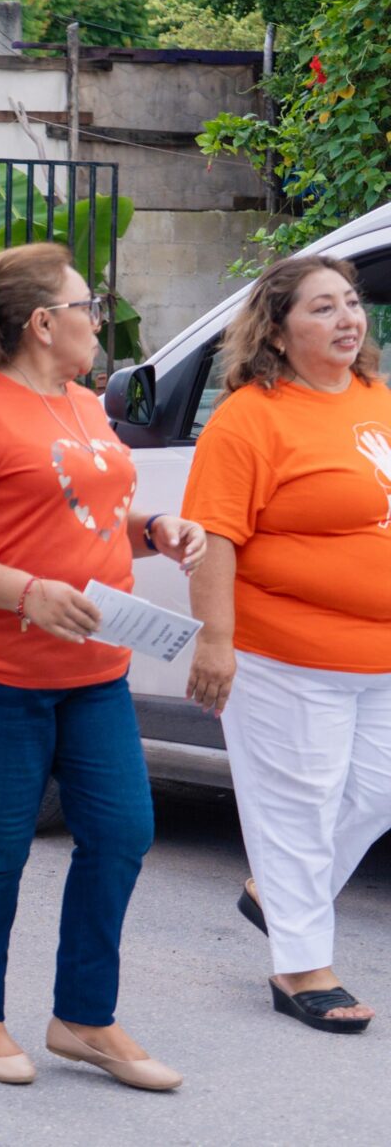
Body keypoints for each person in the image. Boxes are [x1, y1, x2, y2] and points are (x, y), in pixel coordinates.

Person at [0, 242, 206, 1091]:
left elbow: (84, 514)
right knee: (0, 844)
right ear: (43, 323)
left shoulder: (83, 403)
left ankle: (83, 1018)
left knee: (122, 832)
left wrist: (153, 531)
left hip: (96, 662)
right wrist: (26, 594)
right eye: (86, 306)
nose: (97, 321)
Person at [181, 255, 391, 1035]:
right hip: (286, 655)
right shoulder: (250, 418)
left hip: (380, 653)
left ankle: (275, 893)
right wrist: (216, 641)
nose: (347, 319)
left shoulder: (375, 399)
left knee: (377, 791)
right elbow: (214, 536)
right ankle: (302, 968)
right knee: (299, 810)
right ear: (276, 331)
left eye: (351, 303)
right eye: (322, 308)